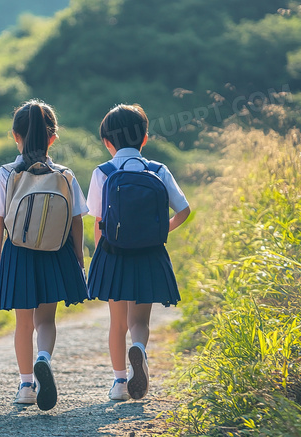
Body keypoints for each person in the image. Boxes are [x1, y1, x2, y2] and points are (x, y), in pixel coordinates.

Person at [0, 100, 89, 411]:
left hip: (18, 251)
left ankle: (26, 384)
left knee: (23, 323)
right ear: (52, 137)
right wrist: (78, 257)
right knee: (46, 320)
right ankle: (44, 358)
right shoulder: (65, 174)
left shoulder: (6, 173)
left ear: (15, 135)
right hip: (56, 251)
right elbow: (76, 219)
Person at [86, 104, 191, 401]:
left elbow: (97, 219)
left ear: (108, 142)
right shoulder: (158, 170)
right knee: (140, 321)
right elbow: (184, 210)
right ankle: (140, 351)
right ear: (145, 138)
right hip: (149, 253)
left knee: (117, 323)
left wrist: (100, 254)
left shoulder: (103, 172)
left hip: (113, 254)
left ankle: (120, 382)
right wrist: (159, 231)